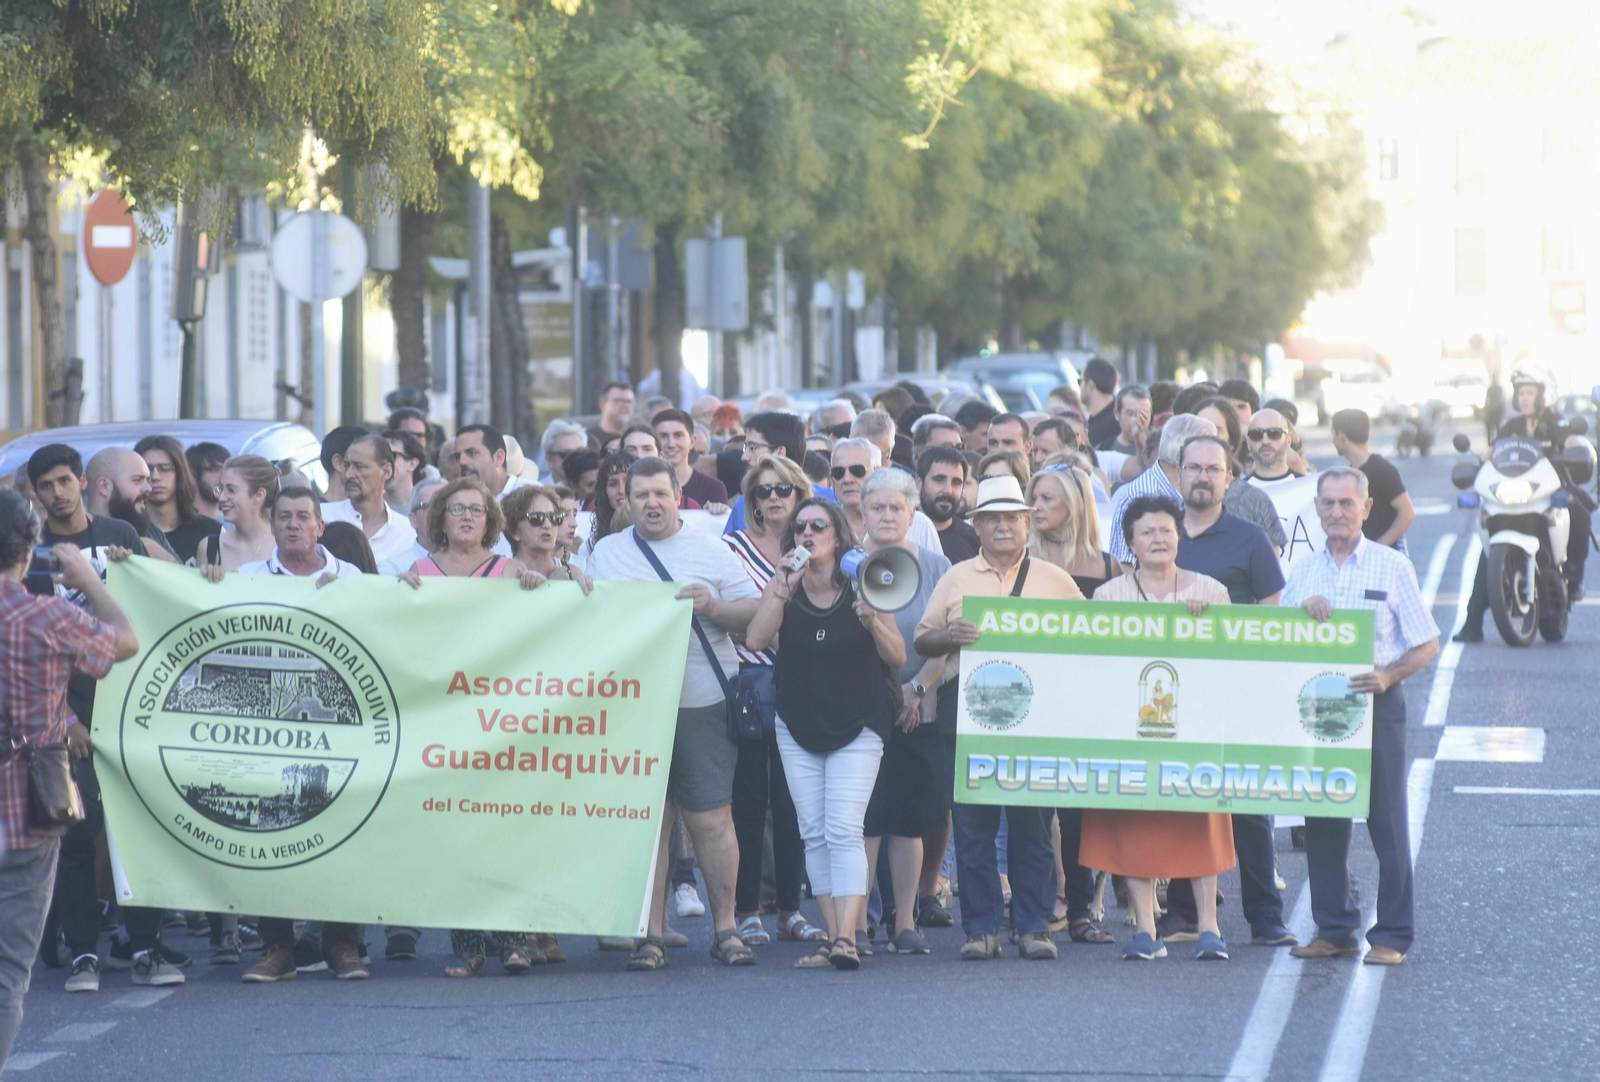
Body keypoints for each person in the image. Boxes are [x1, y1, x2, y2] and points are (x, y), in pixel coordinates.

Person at [587, 457, 761, 971]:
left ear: (677, 495)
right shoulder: (607, 552)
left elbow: (754, 613)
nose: (652, 504)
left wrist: (713, 607)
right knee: (648, 825)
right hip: (633, 706)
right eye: (641, 496)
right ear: (626, 500)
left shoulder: (710, 549)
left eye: (660, 494)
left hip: (700, 701)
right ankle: (651, 934)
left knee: (711, 820)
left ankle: (726, 929)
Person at [27, 445, 182, 992]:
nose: (57, 493)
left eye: (64, 481)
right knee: (78, 833)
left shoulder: (119, 531)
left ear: (84, 481)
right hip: (70, 712)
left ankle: (144, 946)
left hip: (133, 705)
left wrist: (143, 565)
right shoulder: (33, 553)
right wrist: (65, 717)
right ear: (36, 494)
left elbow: (158, 600)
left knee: (139, 831)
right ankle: (83, 953)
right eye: (46, 486)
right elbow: (32, 647)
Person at [914, 475, 1084, 962]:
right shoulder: (956, 577)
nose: (1003, 526)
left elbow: (1088, 641)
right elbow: (923, 639)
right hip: (968, 716)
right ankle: (981, 929)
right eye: (992, 519)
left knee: (1033, 827)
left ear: (1027, 524)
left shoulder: (1055, 580)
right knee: (973, 828)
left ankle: (1034, 926)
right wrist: (950, 636)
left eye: (1012, 517)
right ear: (978, 526)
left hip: (1037, 720)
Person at [0, 491, 138, 1071]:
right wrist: (88, 580)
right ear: (28, 548)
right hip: (28, 808)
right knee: (9, 971)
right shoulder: (47, 617)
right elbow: (124, 641)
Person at [1285, 469, 1440, 966]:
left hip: (1377, 704)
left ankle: (1393, 934)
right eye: (1328, 503)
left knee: (1387, 822)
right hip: (1318, 708)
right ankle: (1335, 929)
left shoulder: (1392, 566)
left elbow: (1427, 643)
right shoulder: (1303, 572)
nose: (1337, 513)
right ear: (1316, 507)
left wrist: (1389, 675)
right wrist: (1298, 612)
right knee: (1323, 818)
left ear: (1366, 508)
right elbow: (1279, 643)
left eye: (1346, 504)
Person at [744, 498, 903, 970]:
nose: (807, 534)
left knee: (844, 828)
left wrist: (871, 621)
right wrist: (780, 587)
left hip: (858, 724)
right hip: (798, 724)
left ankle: (849, 936)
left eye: (818, 526)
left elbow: (897, 656)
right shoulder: (784, 586)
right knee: (814, 833)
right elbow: (755, 640)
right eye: (800, 528)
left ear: (838, 536)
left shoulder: (866, 581)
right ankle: (834, 938)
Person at [1085, 495, 1235, 961]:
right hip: (1130, 729)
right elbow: (1096, 663)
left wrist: (1208, 624)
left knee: (1200, 821)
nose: (1158, 539)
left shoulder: (1211, 591)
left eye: (1166, 530)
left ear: (1179, 536)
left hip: (1196, 730)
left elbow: (1231, 660)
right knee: (1136, 825)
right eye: (1147, 532)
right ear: (1130, 543)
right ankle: (1146, 930)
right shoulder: (1108, 597)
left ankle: (1209, 927)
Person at [1163, 436, 1296, 948]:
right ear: (1178, 473)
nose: (1203, 476)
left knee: (1248, 805)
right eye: (1194, 467)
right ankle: (1182, 913)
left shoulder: (1249, 538)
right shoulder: (1160, 532)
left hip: (1236, 688)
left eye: (1212, 469)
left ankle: (1265, 917)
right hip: (1173, 690)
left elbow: (1271, 608)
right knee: (1183, 799)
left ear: (1228, 477)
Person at [720, 457, 824, 949]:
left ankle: (789, 911)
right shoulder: (731, 548)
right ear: (752, 500)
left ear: (800, 492)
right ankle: (745, 912)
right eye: (763, 491)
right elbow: (733, 619)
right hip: (749, 685)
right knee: (747, 801)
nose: (774, 498)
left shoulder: (817, 545)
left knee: (792, 802)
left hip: (803, 684)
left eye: (784, 488)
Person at [854, 469, 954, 955]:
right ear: (863, 512)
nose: (887, 516)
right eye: (878, 507)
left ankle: (905, 923)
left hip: (921, 708)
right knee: (866, 821)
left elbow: (949, 640)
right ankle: (856, 925)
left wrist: (916, 691)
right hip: (859, 709)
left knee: (910, 820)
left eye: (897, 507)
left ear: (913, 514)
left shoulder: (937, 567)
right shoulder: (846, 562)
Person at [1024, 467, 1119, 944]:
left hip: (1089, 701)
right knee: (1036, 811)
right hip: (1034, 699)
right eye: (1034, 498)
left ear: (1075, 505)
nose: (1036, 507)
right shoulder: (1021, 562)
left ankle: (1081, 911)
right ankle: (1037, 909)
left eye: (1048, 499)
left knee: (1080, 812)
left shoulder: (1109, 567)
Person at [1454, 366, 1593, 635]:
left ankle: (1574, 576)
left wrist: (1574, 452)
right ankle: (1473, 623)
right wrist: (1478, 465)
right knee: (1489, 551)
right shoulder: (1511, 426)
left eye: (1530, 393)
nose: (1525, 398)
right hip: (1514, 493)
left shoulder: (1557, 423)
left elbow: (1573, 443)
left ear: (1544, 395)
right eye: (1521, 393)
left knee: (1579, 513)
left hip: (1549, 491)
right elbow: (1490, 454)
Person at [1106, 414, 1217, 564]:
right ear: (1185, 455)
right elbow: (1126, 567)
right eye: (1208, 453)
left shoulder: (1195, 492)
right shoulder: (1138, 497)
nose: (1214, 461)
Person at [1192, 396, 1286, 550]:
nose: (1206, 435)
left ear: (1231, 439)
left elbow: (1271, 560)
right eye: (1199, 428)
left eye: (1216, 429)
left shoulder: (1255, 501)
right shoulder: (1174, 495)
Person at [320, 435, 420, 571]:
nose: (349, 474)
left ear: (386, 471)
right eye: (346, 466)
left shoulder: (407, 532)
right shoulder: (321, 517)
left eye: (359, 466)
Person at [832, 439, 941, 553]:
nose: (847, 479)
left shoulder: (920, 524)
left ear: (878, 471)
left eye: (857, 470)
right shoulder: (827, 526)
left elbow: (935, 563)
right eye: (838, 472)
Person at [235, 487, 364, 582]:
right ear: (273, 527)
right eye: (284, 517)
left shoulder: (348, 575)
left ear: (320, 527)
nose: (293, 525)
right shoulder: (248, 576)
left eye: (303, 517)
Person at [1331, 409, 1414, 552]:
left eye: (1333, 433)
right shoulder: (1350, 473)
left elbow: (1407, 513)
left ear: (1341, 436)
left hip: (1383, 559)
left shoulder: (1382, 469)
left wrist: (1379, 546)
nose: (1332, 439)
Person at [134, 434, 222, 562]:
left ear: (180, 472)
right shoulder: (127, 532)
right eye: (148, 469)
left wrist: (168, 559)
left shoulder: (211, 532)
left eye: (165, 468)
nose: (155, 477)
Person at [84, 448, 178, 561]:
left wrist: (168, 559)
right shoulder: (77, 536)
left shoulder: (151, 532)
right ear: (104, 486)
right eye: (137, 480)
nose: (149, 488)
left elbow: (185, 572)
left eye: (147, 480)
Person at [195, 455, 279, 575]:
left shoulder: (284, 545)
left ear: (259, 495)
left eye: (231, 490)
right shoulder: (210, 548)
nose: (221, 498)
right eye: (221, 489)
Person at [501, 485, 589, 587]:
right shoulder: (502, 573)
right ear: (515, 531)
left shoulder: (573, 574)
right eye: (536, 518)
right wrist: (550, 586)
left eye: (554, 517)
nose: (548, 525)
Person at [653, 409, 729, 508]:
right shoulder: (642, 486)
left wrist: (717, 511)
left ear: (692, 441)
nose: (671, 444)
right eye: (663, 436)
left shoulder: (713, 488)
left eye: (678, 435)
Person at [917, 447, 979, 564]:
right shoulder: (902, 532)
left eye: (956, 483)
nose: (948, 491)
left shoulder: (974, 539)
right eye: (939, 480)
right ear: (919, 483)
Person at [382, 428, 429, 513]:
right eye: (379, 456)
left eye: (391, 456)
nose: (383, 463)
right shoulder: (366, 507)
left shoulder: (426, 508)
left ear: (412, 464)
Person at [1098, 385, 1151, 456]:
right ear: (1117, 414)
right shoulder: (1103, 451)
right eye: (1130, 413)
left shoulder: (1159, 451)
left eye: (1143, 414)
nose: (1137, 420)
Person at [1081, 356, 1120, 447]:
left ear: (1090, 385)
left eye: (1080, 381)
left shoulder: (1116, 423)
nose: (1080, 387)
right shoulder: (1118, 417)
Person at [184, 441, 229, 519]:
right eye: (216, 469)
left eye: (227, 470)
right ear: (192, 474)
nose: (224, 477)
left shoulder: (234, 523)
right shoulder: (174, 523)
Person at [539, 420, 590, 486]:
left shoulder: (594, 489)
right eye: (566, 454)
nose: (574, 459)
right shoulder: (539, 490)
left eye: (579, 453)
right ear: (549, 460)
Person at [588, 380, 636, 446]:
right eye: (618, 400)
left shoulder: (637, 438)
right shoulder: (588, 439)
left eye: (628, 401)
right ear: (603, 404)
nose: (625, 405)